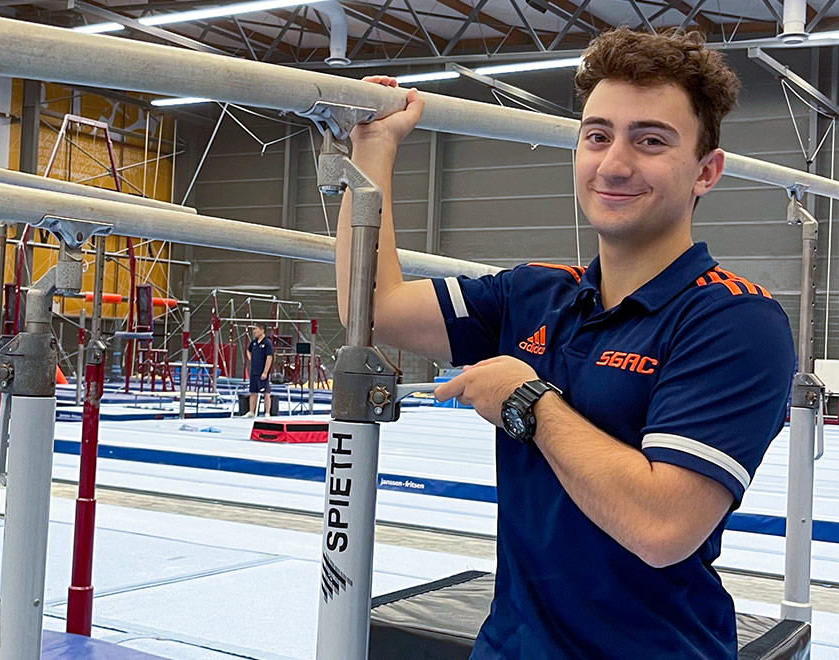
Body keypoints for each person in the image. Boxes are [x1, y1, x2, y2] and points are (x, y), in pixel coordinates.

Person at [335, 28, 796, 660]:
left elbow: (662, 528)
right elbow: (376, 306)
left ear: (705, 172)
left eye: (651, 140)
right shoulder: (534, 295)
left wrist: (528, 403)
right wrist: (373, 146)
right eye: (597, 135)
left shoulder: (734, 319)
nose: (613, 164)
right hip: (511, 648)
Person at [242, 323, 274, 418]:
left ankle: (267, 412)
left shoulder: (267, 343)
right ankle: (251, 411)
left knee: (266, 393)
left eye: (256, 329)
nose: (254, 331)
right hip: (254, 371)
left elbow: (269, 358)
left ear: (262, 330)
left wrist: (265, 372)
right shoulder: (254, 342)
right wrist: (251, 358)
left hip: (262, 372)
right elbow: (248, 350)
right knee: (253, 392)